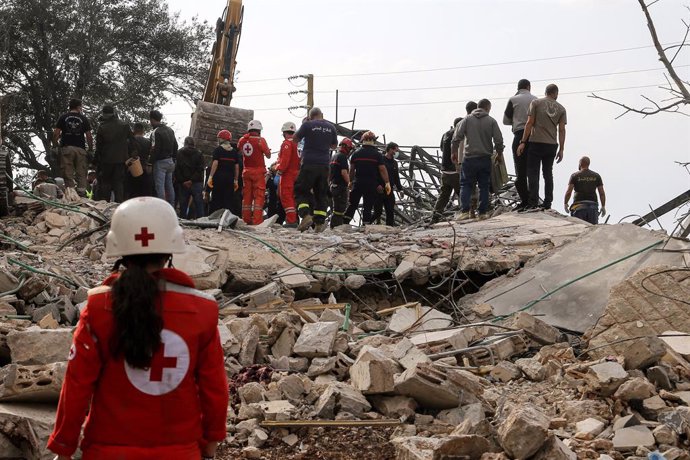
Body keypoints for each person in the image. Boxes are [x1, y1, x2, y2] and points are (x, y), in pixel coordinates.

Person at [47, 196, 228, 460]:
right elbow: (215, 389)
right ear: (171, 250)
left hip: (106, 452)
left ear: (119, 248)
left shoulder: (98, 306)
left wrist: (63, 447)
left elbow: (76, 385)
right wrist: (211, 442)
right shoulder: (203, 309)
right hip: (180, 452)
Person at [517, 84, 567, 210]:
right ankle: (547, 202)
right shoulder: (561, 108)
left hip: (536, 141)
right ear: (555, 93)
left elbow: (529, 123)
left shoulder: (536, 103)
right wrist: (561, 149)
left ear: (545, 92)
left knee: (533, 172)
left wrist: (523, 141)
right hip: (551, 144)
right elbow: (561, 130)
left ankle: (533, 201)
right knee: (548, 174)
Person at [452, 99, 504, 220]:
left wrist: (454, 152)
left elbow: (456, 137)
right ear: (487, 108)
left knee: (465, 185)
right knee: (484, 186)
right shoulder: (491, 121)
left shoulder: (466, 120)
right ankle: (482, 213)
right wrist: (499, 154)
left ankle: (464, 211)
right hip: (485, 158)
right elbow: (499, 140)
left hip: (469, 158)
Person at [293, 107, 338, 233]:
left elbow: (295, 139)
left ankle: (305, 215)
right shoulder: (331, 127)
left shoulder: (308, 125)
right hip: (324, 165)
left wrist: (305, 127)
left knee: (300, 189)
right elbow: (334, 145)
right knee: (321, 193)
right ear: (321, 115)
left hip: (309, 163)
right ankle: (319, 223)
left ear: (310, 116)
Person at [343, 131, 391, 225]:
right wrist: (387, 183)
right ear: (373, 141)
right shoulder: (377, 155)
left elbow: (352, 170)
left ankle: (345, 223)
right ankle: (365, 226)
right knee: (368, 206)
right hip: (371, 184)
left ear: (362, 140)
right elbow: (382, 170)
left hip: (358, 183)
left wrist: (350, 182)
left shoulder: (356, 154)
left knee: (353, 204)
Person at [503, 79, 537, 210]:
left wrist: (517, 119)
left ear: (518, 88)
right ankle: (534, 200)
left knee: (520, 172)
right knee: (533, 170)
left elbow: (505, 120)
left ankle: (525, 200)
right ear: (529, 87)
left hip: (518, 136)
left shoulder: (513, 100)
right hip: (534, 137)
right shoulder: (536, 100)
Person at [93, 105, 135, 203]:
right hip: (121, 160)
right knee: (118, 183)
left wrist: (95, 160)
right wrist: (132, 155)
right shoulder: (124, 125)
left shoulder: (102, 127)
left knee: (105, 183)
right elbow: (132, 141)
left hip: (106, 160)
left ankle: (105, 204)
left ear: (104, 114)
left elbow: (99, 147)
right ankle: (118, 204)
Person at [53, 98, 93, 195]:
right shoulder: (84, 119)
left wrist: (55, 146)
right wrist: (90, 149)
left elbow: (56, 133)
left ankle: (71, 195)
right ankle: (81, 194)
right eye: (81, 107)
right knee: (81, 173)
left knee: (67, 173)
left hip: (66, 149)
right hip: (80, 149)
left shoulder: (63, 117)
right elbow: (89, 136)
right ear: (78, 107)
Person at [237, 120, 270, 225]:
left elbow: (240, 150)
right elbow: (268, 155)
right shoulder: (261, 140)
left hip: (246, 172)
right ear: (259, 130)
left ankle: (246, 219)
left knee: (247, 197)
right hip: (258, 172)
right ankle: (257, 221)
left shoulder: (242, 140)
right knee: (259, 197)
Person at [433, 116, 463, 222]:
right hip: (455, 169)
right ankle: (466, 212)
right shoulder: (459, 134)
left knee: (444, 195)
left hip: (445, 170)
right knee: (464, 192)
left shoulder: (445, 134)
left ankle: (435, 215)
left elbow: (442, 148)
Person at [564, 156, 606, 224]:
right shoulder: (596, 176)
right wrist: (603, 206)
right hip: (593, 206)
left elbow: (569, 192)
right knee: (592, 229)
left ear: (580, 163)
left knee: (579, 228)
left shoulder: (575, 175)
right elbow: (602, 193)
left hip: (578, 206)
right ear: (588, 164)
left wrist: (565, 203)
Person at [149, 110, 178, 207]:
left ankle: (162, 207)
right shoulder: (170, 130)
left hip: (160, 162)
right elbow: (176, 146)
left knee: (159, 186)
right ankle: (171, 206)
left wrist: (150, 162)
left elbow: (155, 149)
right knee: (169, 186)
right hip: (170, 162)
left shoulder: (155, 132)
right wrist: (173, 158)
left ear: (152, 119)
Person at [207, 129, 240, 214]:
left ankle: (214, 219)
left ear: (221, 139)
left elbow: (215, 163)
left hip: (218, 178)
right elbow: (236, 167)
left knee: (216, 200)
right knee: (228, 201)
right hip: (229, 179)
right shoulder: (234, 152)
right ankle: (226, 219)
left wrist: (210, 177)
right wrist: (236, 180)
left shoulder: (218, 150)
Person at [276, 121, 300, 227]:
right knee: (293, 198)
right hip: (297, 173)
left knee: (286, 196)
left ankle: (291, 221)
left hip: (288, 174)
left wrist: (279, 169)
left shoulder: (287, 144)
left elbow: (284, 160)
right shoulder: (298, 144)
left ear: (285, 133)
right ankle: (293, 219)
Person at [372, 142, 403, 226]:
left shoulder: (394, 163)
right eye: (395, 150)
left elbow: (396, 177)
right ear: (390, 149)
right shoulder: (381, 160)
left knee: (390, 210)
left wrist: (400, 189)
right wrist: (377, 185)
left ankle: (390, 229)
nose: (396, 152)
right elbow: (374, 174)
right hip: (379, 190)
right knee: (377, 212)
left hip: (389, 189)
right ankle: (366, 224)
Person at [175, 137, 206, 219]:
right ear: (193, 143)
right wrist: (191, 180)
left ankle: (182, 221)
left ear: (185, 143)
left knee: (183, 206)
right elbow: (200, 169)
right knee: (199, 204)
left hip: (183, 184)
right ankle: (201, 222)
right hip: (196, 183)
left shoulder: (179, 153)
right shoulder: (199, 154)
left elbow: (177, 169)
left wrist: (183, 181)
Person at [329, 138, 354, 228]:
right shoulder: (342, 157)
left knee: (335, 209)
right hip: (340, 187)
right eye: (350, 149)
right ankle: (336, 227)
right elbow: (344, 172)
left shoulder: (334, 156)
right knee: (339, 209)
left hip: (333, 186)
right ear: (346, 147)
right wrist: (349, 183)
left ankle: (333, 226)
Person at [128, 122, 153, 198]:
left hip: (132, 170)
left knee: (133, 192)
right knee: (144, 193)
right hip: (144, 169)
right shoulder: (148, 142)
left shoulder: (130, 141)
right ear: (143, 131)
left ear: (134, 130)